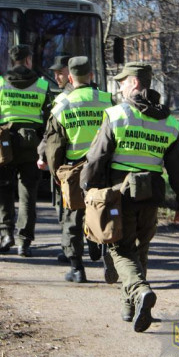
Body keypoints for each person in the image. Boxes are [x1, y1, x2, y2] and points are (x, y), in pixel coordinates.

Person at [80, 62, 179, 332]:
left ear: (134, 83)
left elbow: (97, 157)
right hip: (152, 192)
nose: (119, 86)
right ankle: (129, 306)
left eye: (122, 82)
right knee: (140, 248)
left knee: (120, 248)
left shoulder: (117, 114)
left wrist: (86, 186)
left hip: (120, 193)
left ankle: (140, 291)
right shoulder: (169, 121)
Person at [44, 56, 113, 283]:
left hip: (74, 171)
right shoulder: (107, 100)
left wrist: (56, 173)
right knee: (103, 210)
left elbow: (54, 147)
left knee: (72, 216)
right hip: (103, 167)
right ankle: (104, 252)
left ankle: (76, 268)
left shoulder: (61, 105)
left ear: (70, 77)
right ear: (91, 76)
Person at [0, 44, 52, 257]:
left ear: (12, 61)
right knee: (28, 194)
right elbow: (49, 120)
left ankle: (6, 235)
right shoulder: (42, 85)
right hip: (32, 146)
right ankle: (24, 241)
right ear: (28, 60)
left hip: (4, 145)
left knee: (4, 190)